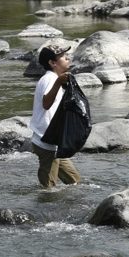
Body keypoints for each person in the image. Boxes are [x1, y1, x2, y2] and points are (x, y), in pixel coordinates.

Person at [28, 45, 81, 188]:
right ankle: (43, 207)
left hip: (54, 142)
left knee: (74, 181)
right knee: (48, 187)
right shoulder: (50, 79)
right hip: (46, 141)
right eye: (63, 57)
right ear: (52, 63)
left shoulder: (54, 79)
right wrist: (58, 83)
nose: (67, 58)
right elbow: (46, 104)